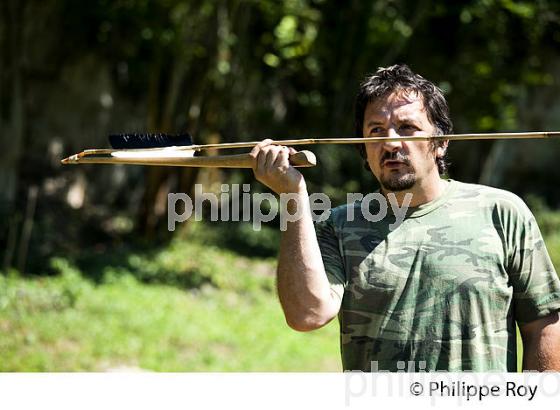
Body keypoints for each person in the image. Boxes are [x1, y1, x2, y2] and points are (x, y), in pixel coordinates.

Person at [249, 64, 560, 372]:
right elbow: (308, 314)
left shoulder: (502, 212)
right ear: (364, 149)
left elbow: (544, 325)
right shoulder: (337, 226)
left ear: (441, 142)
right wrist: (292, 195)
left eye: (407, 128)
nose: (391, 143)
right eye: (376, 131)